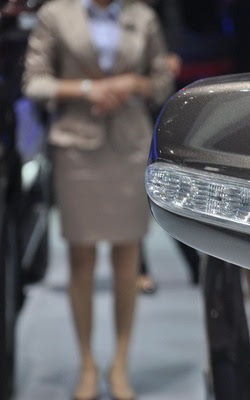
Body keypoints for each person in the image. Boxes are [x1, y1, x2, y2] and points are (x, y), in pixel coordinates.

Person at [22, 0, 173, 399]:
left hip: (129, 146)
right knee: (81, 258)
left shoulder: (142, 16)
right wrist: (89, 88)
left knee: (128, 257)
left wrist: (133, 84)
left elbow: (162, 81)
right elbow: (34, 82)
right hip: (76, 147)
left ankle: (120, 363)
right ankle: (87, 363)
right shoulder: (55, 14)